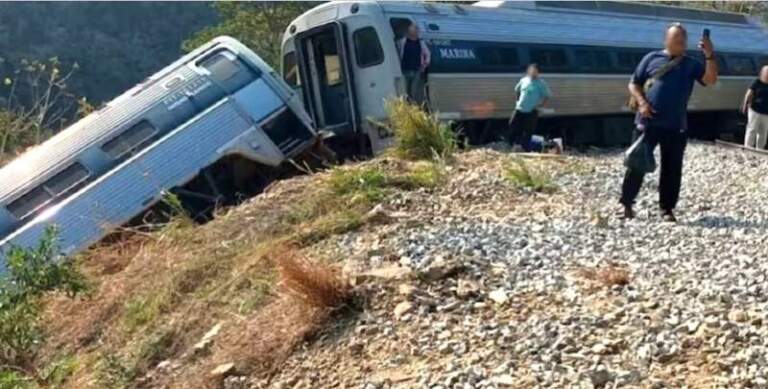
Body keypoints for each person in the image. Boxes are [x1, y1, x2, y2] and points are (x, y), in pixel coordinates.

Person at [620, 23, 718, 222]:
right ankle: (627, 204)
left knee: (672, 169)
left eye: (683, 39)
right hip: (647, 122)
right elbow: (634, 83)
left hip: (675, 125)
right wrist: (642, 103)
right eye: (676, 38)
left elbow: (710, 80)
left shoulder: (691, 64)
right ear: (666, 40)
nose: (681, 42)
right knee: (636, 164)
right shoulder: (651, 58)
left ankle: (667, 208)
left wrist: (709, 55)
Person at [509, 63, 552, 151]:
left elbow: (547, 95)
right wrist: (517, 101)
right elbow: (517, 90)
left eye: (535, 71)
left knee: (528, 130)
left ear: (538, 72)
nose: (533, 73)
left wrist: (541, 105)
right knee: (513, 124)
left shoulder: (540, 83)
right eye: (532, 71)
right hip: (519, 108)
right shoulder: (523, 80)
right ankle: (515, 144)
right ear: (528, 71)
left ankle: (525, 148)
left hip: (532, 110)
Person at [397, 21, 430, 106]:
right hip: (405, 70)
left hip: (416, 70)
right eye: (414, 29)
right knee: (405, 90)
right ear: (409, 31)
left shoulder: (421, 43)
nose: (416, 31)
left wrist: (424, 65)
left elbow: (427, 54)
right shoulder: (402, 42)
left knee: (414, 91)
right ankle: (407, 106)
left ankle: (413, 106)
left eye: (417, 29)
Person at [742, 65, 768, 149]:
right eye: (766, 72)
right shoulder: (757, 82)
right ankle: (748, 147)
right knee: (752, 129)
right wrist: (745, 105)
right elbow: (749, 94)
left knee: (763, 132)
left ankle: (760, 149)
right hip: (755, 110)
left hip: (766, 113)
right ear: (762, 73)